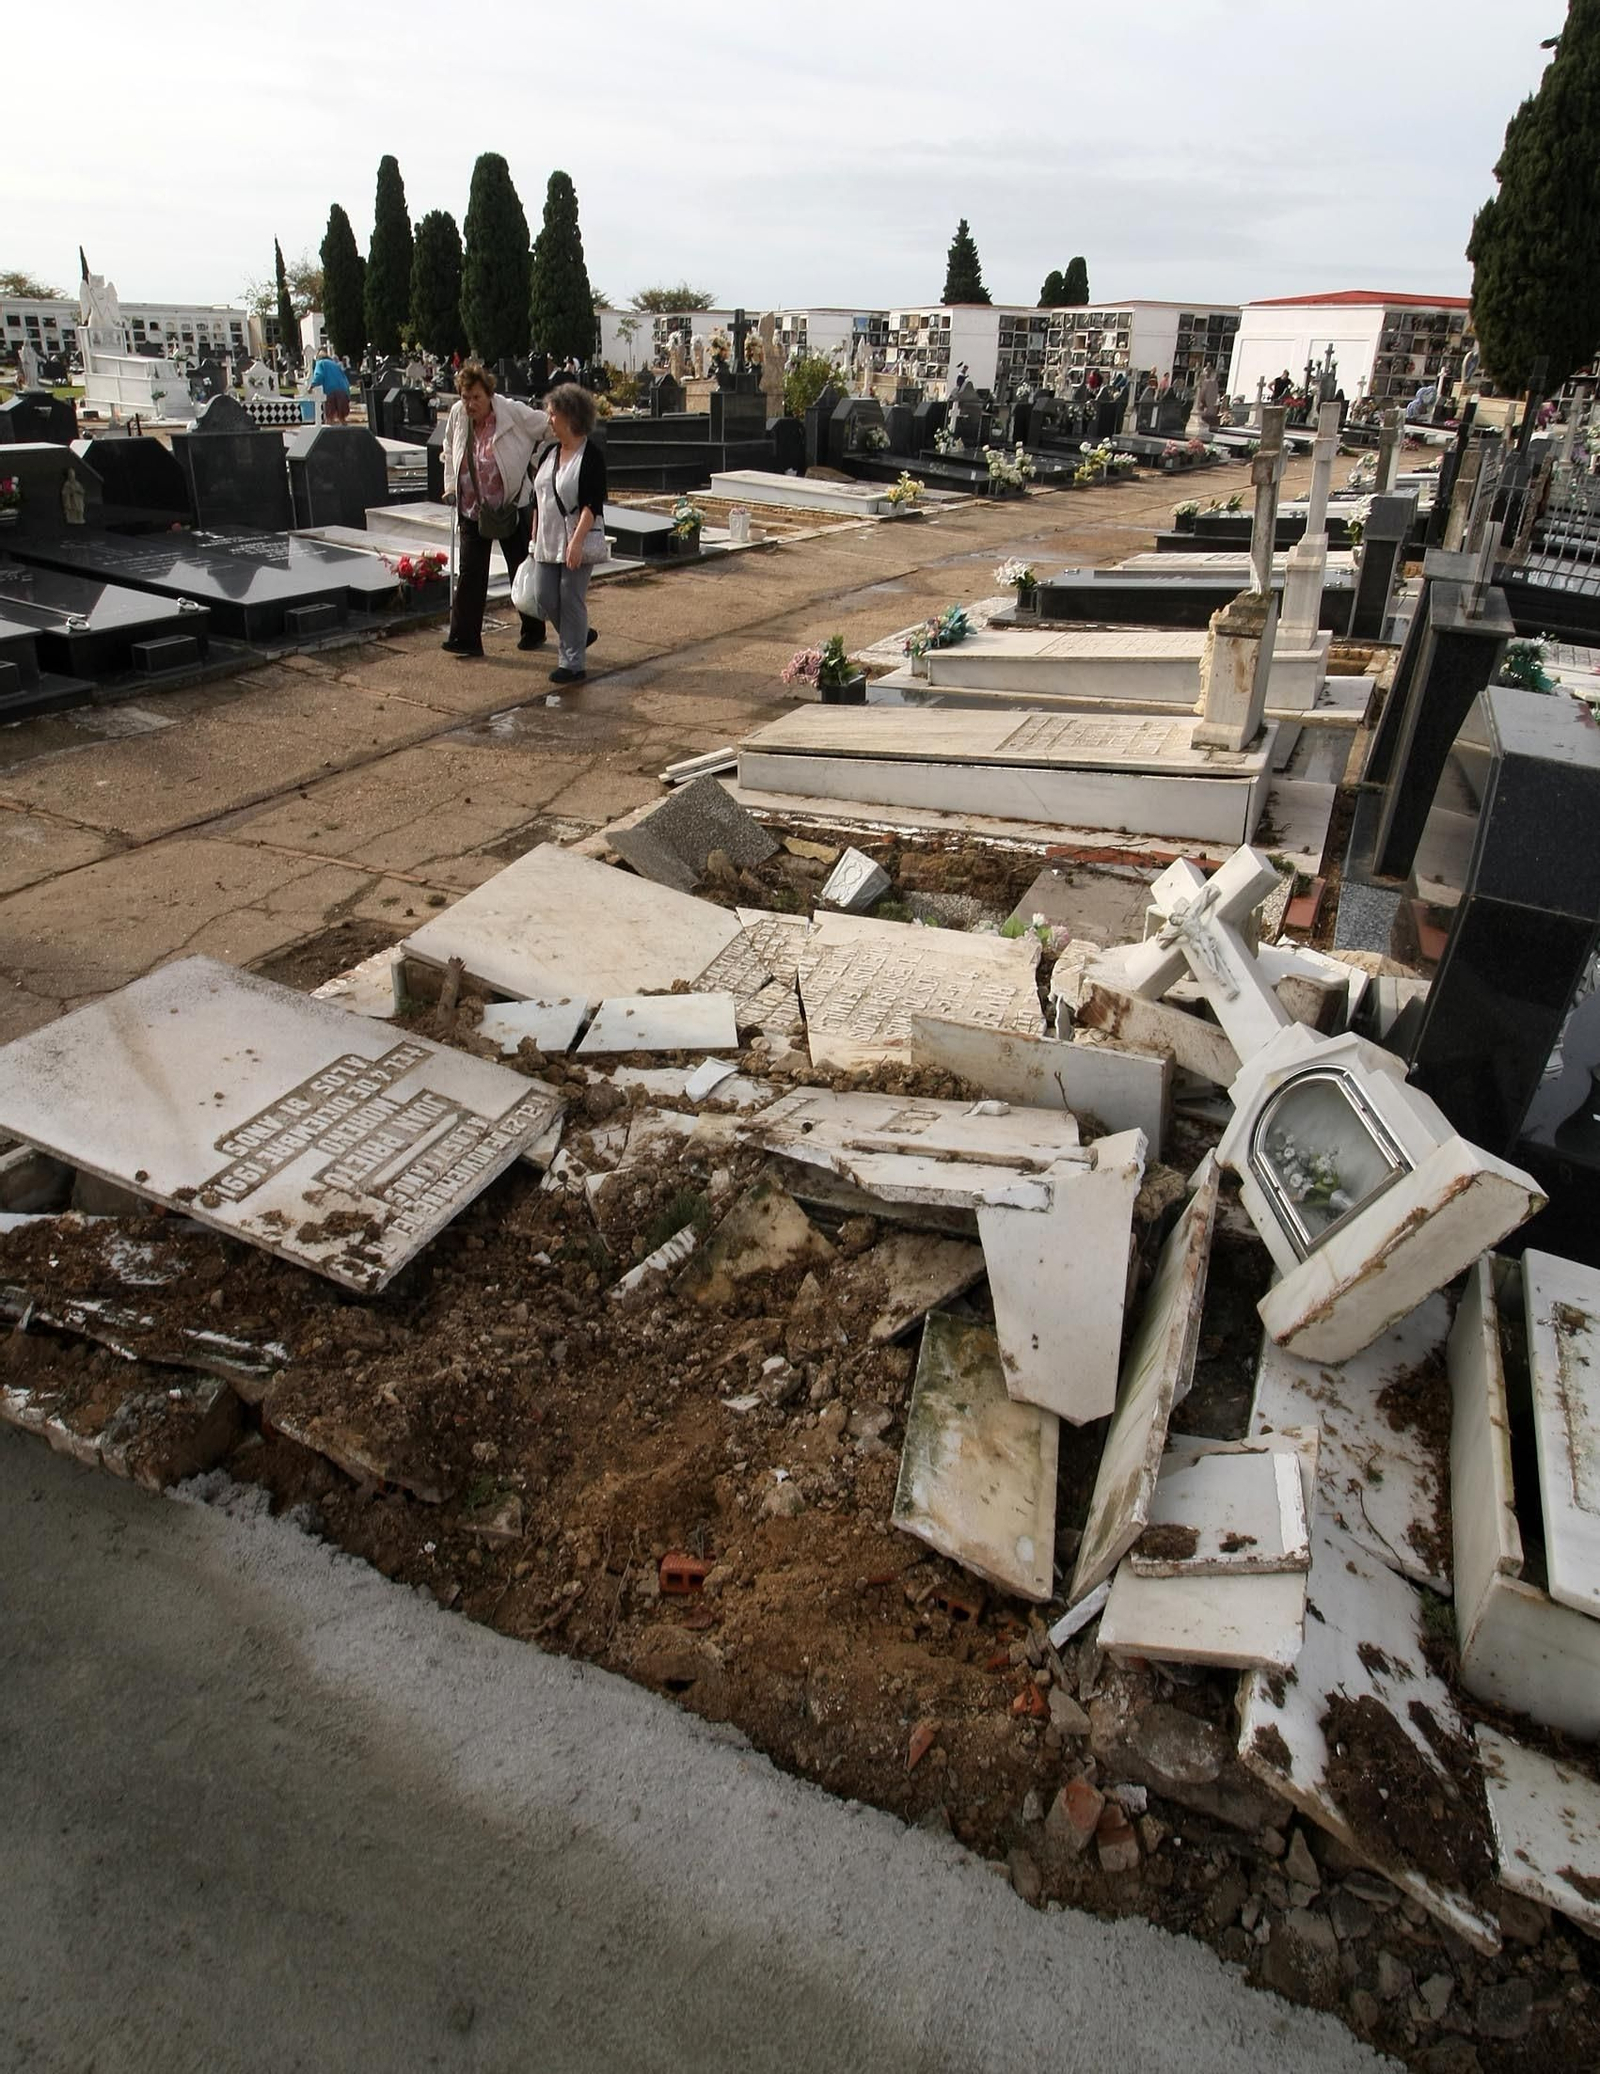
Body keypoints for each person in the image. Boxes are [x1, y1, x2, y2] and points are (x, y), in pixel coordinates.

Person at [439, 360, 550, 659]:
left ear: (489, 394)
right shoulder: (458, 415)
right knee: (471, 573)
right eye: (465, 397)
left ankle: (533, 629)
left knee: (520, 569)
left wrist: (537, 464)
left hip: (510, 505)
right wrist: (450, 486)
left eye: (476, 397)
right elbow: (449, 448)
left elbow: (548, 428)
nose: (470, 404)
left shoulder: (511, 411)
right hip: (472, 508)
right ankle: (465, 638)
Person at [530, 381, 607, 686]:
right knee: (544, 596)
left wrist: (576, 542)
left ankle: (572, 664)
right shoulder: (549, 452)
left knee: (570, 598)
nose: (549, 419)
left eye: (552, 413)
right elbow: (539, 495)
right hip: (546, 540)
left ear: (570, 416)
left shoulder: (591, 456)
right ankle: (580, 634)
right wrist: (534, 533)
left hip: (576, 538)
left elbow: (592, 505)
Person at [309, 349, 351, 423]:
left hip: (330, 391)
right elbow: (345, 379)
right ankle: (344, 428)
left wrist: (311, 386)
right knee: (342, 418)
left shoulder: (320, 363)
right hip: (343, 391)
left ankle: (330, 428)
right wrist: (348, 394)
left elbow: (319, 376)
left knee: (330, 417)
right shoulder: (335, 364)